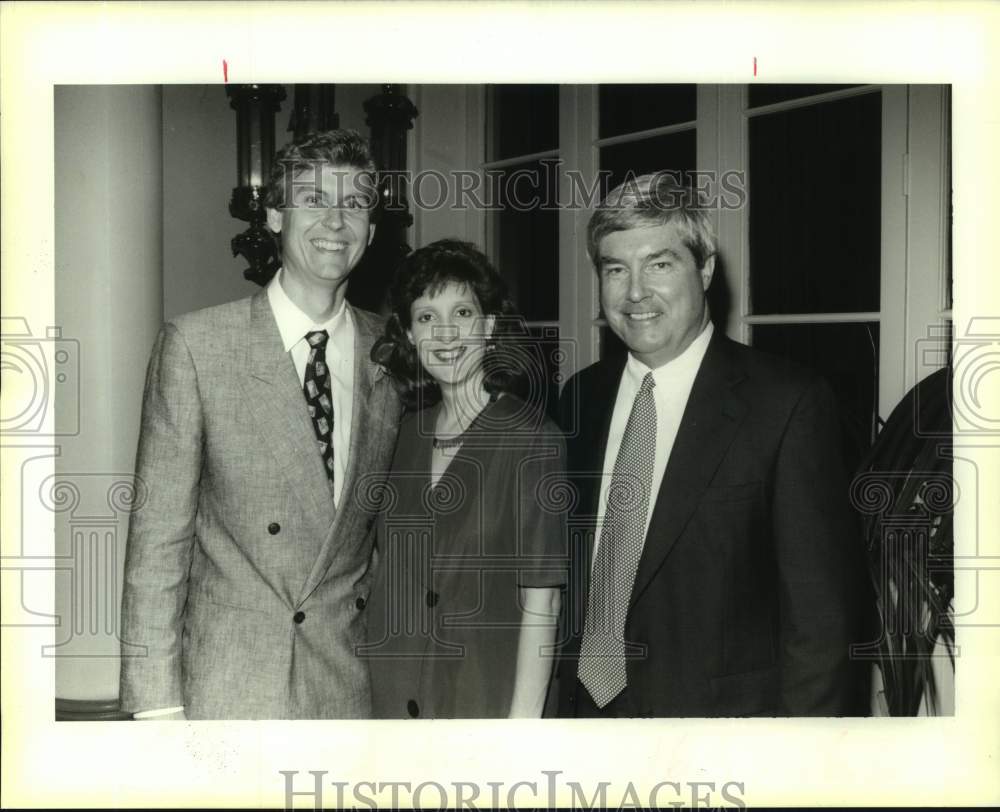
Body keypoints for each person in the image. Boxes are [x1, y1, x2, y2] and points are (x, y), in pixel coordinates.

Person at [557, 173, 871, 717]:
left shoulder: (788, 405)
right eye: (615, 269)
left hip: (720, 737)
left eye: (659, 264)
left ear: (703, 269)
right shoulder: (580, 396)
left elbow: (821, 624)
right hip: (584, 720)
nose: (635, 292)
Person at [119, 130, 403, 720]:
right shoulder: (197, 345)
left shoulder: (392, 353)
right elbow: (158, 543)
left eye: (354, 204)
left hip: (345, 689)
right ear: (275, 214)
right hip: (228, 689)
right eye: (314, 199)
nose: (335, 220)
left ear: (372, 231)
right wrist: (154, 709)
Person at [362, 239, 566, 718]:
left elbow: (544, 603)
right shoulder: (403, 434)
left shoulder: (532, 439)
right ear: (410, 335)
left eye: (463, 314)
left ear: (490, 326)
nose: (446, 334)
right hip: (390, 700)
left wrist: (522, 734)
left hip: (483, 701)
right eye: (427, 317)